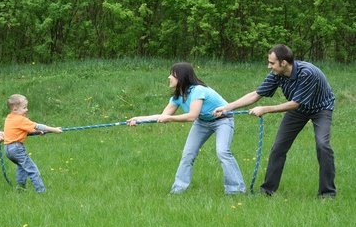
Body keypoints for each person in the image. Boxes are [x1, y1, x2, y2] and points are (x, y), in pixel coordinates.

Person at [214, 44, 336, 198]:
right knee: (278, 147)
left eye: (272, 63)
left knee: (322, 145)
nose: (269, 66)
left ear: (283, 63)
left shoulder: (308, 73)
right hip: (298, 111)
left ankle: (327, 193)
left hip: (320, 108)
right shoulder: (277, 74)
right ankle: (267, 191)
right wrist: (227, 108)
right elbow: (256, 94)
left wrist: (265, 109)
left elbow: (294, 103)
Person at [128, 62, 246, 195]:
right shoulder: (177, 97)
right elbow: (163, 115)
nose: (169, 77)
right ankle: (178, 190)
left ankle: (236, 190)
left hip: (223, 120)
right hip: (202, 122)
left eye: (172, 75)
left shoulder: (198, 91)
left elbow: (191, 116)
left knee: (222, 152)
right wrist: (139, 119)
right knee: (187, 155)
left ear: (181, 77)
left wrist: (170, 119)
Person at [3, 94, 62, 193]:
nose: (27, 110)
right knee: (33, 170)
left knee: (22, 167)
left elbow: (24, 129)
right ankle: (41, 191)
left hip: (8, 149)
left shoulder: (10, 118)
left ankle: (20, 188)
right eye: (24, 107)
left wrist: (37, 132)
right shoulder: (20, 119)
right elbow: (38, 126)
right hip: (16, 148)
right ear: (15, 109)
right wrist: (54, 129)